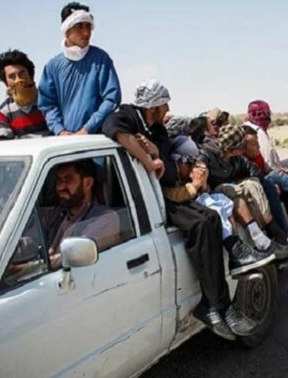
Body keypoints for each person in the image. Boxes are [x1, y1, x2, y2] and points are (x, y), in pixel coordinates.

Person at [102, 79, 257, 340]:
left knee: (209, 218)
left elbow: (168, 169)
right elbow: (113, 129)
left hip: (160, 194)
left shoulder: (158, 131)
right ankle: (219, 305)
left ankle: (214, 304)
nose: (167, 110)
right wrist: (147, 159)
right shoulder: (129, 115)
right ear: (154, 106)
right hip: (140, 200)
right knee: (198, 223)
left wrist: (156, 155)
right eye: (164, 105)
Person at [163, 137, 275, 276]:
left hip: (197, 199)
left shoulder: (187, 171)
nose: (193, 166)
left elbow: (204, 191)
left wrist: (202, 181)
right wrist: (195, 185)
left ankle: (237, 251)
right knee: (213, 209)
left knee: (224, 202)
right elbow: (173, 195)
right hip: (184, 210)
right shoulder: (170, 175)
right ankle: (236, 250)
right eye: (190, 162)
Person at [199, 124, 288, 259]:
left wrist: (256, 180)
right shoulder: (206, 155)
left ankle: (281, 237)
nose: (242, 152)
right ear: (231, 148)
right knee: (233, 191)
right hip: (216, 193)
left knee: (258, 184)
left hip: (236, 187)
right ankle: (268, 241)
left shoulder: (235, 158)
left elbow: (253, 169)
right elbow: (201, 181)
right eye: (239, 148)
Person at [39, 2, 121, 135]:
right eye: (79, 26)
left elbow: (112, 99)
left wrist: (87, 129)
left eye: (89, 26)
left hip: (97, 140)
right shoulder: (52, 66)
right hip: (66, 145)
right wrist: (60, 131)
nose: (86, 32)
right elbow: (47, 105)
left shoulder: (100, 59)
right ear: (66, 29)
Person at [45, 160, 121, 268]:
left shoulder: (105, 219)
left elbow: (74, 256)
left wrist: (36, 267)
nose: (60, 187)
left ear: (87, 183)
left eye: (68, 179)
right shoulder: (57, 215)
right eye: (59, 180)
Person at [0, 50, 49, 140]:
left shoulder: (48, 100)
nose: (18, 80)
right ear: (6, 83)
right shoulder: (5, 110)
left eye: (22, 74)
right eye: (12, 77)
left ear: (31, 75)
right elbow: (1, 141)